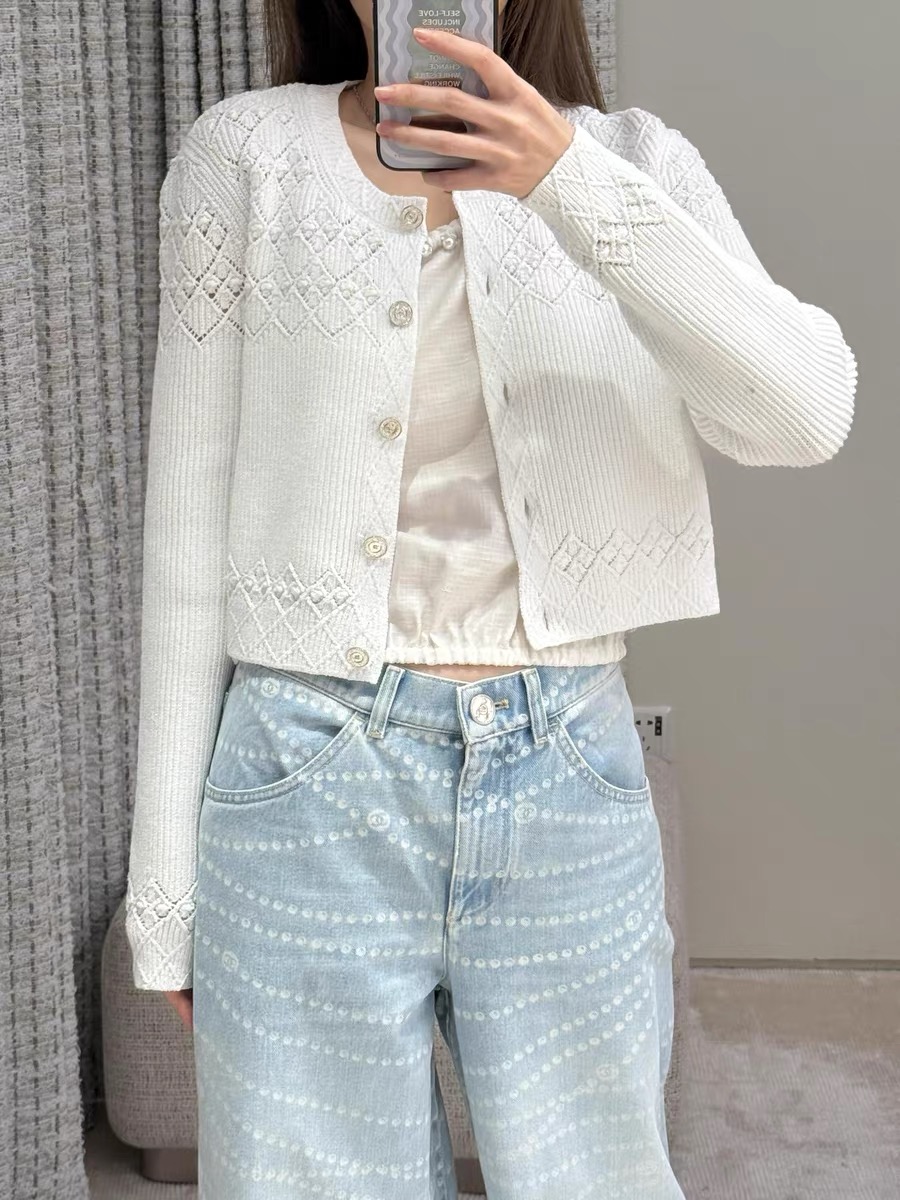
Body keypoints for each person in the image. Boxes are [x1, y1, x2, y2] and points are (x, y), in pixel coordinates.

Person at [124, 0, 857, 1195]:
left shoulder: (634, 165)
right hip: (304, 775)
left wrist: (566, 181)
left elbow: (805, 413)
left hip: (563, 771)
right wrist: (164, 895)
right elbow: (186, 539)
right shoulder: (246, 154)